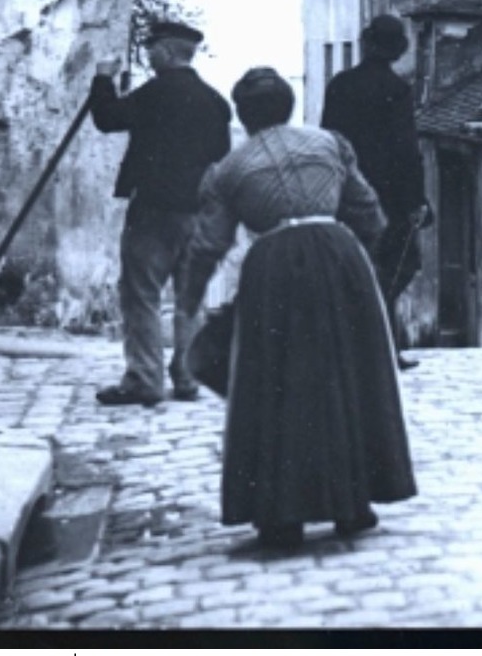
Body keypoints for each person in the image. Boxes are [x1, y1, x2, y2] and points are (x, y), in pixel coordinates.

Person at [175, 67, 418, 549]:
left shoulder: (229, 169)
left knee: (276, 382)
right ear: (288, 104)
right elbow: (368, 211)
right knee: (347, 374)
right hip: (338, 251)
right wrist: (354, 254)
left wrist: (189, 298)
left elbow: (209, 243)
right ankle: (354, 505)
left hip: (273, 264)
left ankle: (280, 515)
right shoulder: (331, 144)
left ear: (243, 116)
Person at [89, 20, 232, 406]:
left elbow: (107, 119)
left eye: (152, 48)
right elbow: (220, 159)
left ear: (167, 51)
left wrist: (103, 79)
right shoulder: (216, 101)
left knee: (141, 294)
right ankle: (187, 378)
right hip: (199, 213)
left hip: (154, 209)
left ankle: (144, 379)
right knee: (190, 297)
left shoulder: (156, 93)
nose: (148, 55)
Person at [321, 14, 431, 370]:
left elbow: (330, 140)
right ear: (398, 48)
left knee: (356, 266)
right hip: (390, 195)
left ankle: (355, 344)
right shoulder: (396, 89)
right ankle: (380, 344)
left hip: (346, 191)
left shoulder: (339, 85)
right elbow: (405, 150)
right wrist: (416, 199)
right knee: (399, 265)